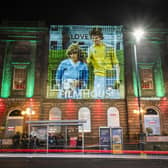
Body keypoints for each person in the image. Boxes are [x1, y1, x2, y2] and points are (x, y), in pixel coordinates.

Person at [87, 28, 120, 98]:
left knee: (112, 97)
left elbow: (116, 64)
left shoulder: (109, 48)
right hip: (98, 76)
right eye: (92, 38)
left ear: (101, 37)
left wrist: (117, 79)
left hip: (110, 76)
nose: (94, 40)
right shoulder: (91, 49)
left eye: (96, 38)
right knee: (98, 98)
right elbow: (87, 62)